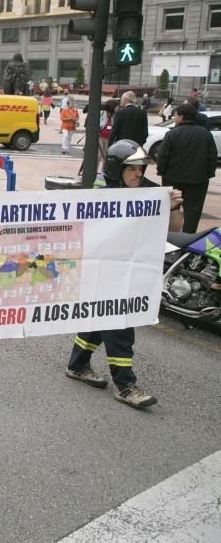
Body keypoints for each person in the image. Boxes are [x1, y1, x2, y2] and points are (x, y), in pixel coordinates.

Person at [66, 140, 183, 409]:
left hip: (128, 268)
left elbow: (174, 228)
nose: (139, 174)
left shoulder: (147, 192)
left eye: (141, 169)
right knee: (119, 322)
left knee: (100, 317)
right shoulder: (99, 190)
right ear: (117, 168)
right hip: (103, 269)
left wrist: (174, 206)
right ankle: (125, 385)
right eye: (133, 169)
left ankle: (77, 365)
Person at [156, 103, 218, 233]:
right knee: (193, 213)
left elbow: (162, 156)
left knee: (172, 209)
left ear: (182, 116)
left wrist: (161, 171)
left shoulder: (172, 134)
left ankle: (171, 237)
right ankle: (188, 239)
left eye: (176, 115)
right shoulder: (205, 134)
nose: (175, 117)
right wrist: (209, 173)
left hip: (173, 179)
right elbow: (212, 156)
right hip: (198, 180)